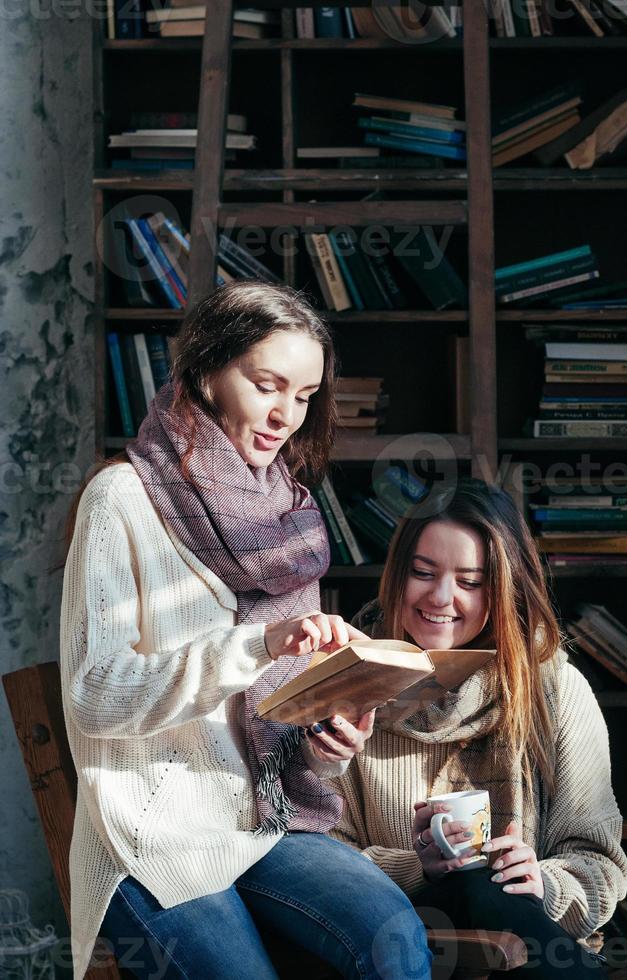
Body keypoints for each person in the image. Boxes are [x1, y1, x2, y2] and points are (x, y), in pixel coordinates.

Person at [60, 281, 433, 980]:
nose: (286, 415)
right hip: (153, 832)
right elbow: (93, 697)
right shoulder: (122, 500)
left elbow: (277, 716)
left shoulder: (284, 512)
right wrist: (258, 644)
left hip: (263, 819)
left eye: (304, 395)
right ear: (206, 370)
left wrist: (328, 749)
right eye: (267, 385)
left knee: (394, 942)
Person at [330, 478, 627, 978]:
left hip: (524, 944)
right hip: (391, 941)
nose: (441, 598)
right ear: (397, 575)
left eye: (470, 582)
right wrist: (420, 869)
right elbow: (319, 861)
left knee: (487, 882)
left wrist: (540, 882)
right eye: (423, 573)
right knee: (471, 882)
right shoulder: (351, 682)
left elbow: (598, 866)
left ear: (505, 589)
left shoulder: (554, 689)